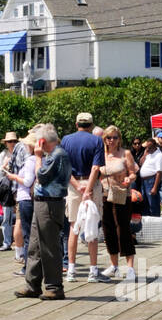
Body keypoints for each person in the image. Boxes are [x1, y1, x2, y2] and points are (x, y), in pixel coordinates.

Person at [15, 123, 71, 300]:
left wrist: (38, 157)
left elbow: (42, 177)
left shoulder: (58, 155)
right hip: (42, 203)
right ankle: (32, 284)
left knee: (49, 246)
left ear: (41, 141)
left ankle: (54, 286)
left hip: (50, 204)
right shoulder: (54, 154)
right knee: (35, 246)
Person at [61, 112, 105, 279]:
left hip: (74, 186)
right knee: (92, 227)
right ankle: (93, 271)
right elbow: (95, 168)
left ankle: (71, 269)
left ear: (76, 123)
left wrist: (77, 186)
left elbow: (64, 167)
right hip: (92, 185)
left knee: (74, 227)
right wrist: (88, 189)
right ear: (92, 125)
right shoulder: (96, 140)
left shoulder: (66, 140)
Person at [98, 125, 139, 282]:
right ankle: (114, 265)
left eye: (115, 137)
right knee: (108, 230)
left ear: (119, 139)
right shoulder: (101, 154)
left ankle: (130, 268)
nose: (112, 140)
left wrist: (130, 179)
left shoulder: (125, 153)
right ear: (105, 139)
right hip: (104, 195)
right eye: (109, 137)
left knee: (123, 229)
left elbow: (134, 172)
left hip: (122, 194)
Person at [7, 134, 39, 270]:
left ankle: (27, 267)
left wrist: (13, 177)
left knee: (28, 235)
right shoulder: (37, 159)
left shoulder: (31, 160)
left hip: (25, 198)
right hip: (29, 198)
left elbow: (27, 181)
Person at [0, 132, 27, 253]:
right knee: (6, 217)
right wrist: (4, 165)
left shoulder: (22, 152)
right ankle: (6, 242)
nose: (12, 144)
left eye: (14, 141)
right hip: (7, 189)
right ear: (6, 143)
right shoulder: (3, 154)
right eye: (9, 142)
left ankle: (22, 244)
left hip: (19, 188)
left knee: (21, 217)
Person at [138, 137, 162, 218]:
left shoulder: (159, 156)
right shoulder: (149, 153)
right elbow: (140, 163)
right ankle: (147, 224)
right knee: (145, 204)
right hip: (144, 182)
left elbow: (159, 173)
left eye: (149, 147)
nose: (147, 149)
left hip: (151, 181)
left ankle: (156, 223)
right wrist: (145, 153)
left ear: (154, 146)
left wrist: (155, 187)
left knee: (153, 205)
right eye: (146, 147)